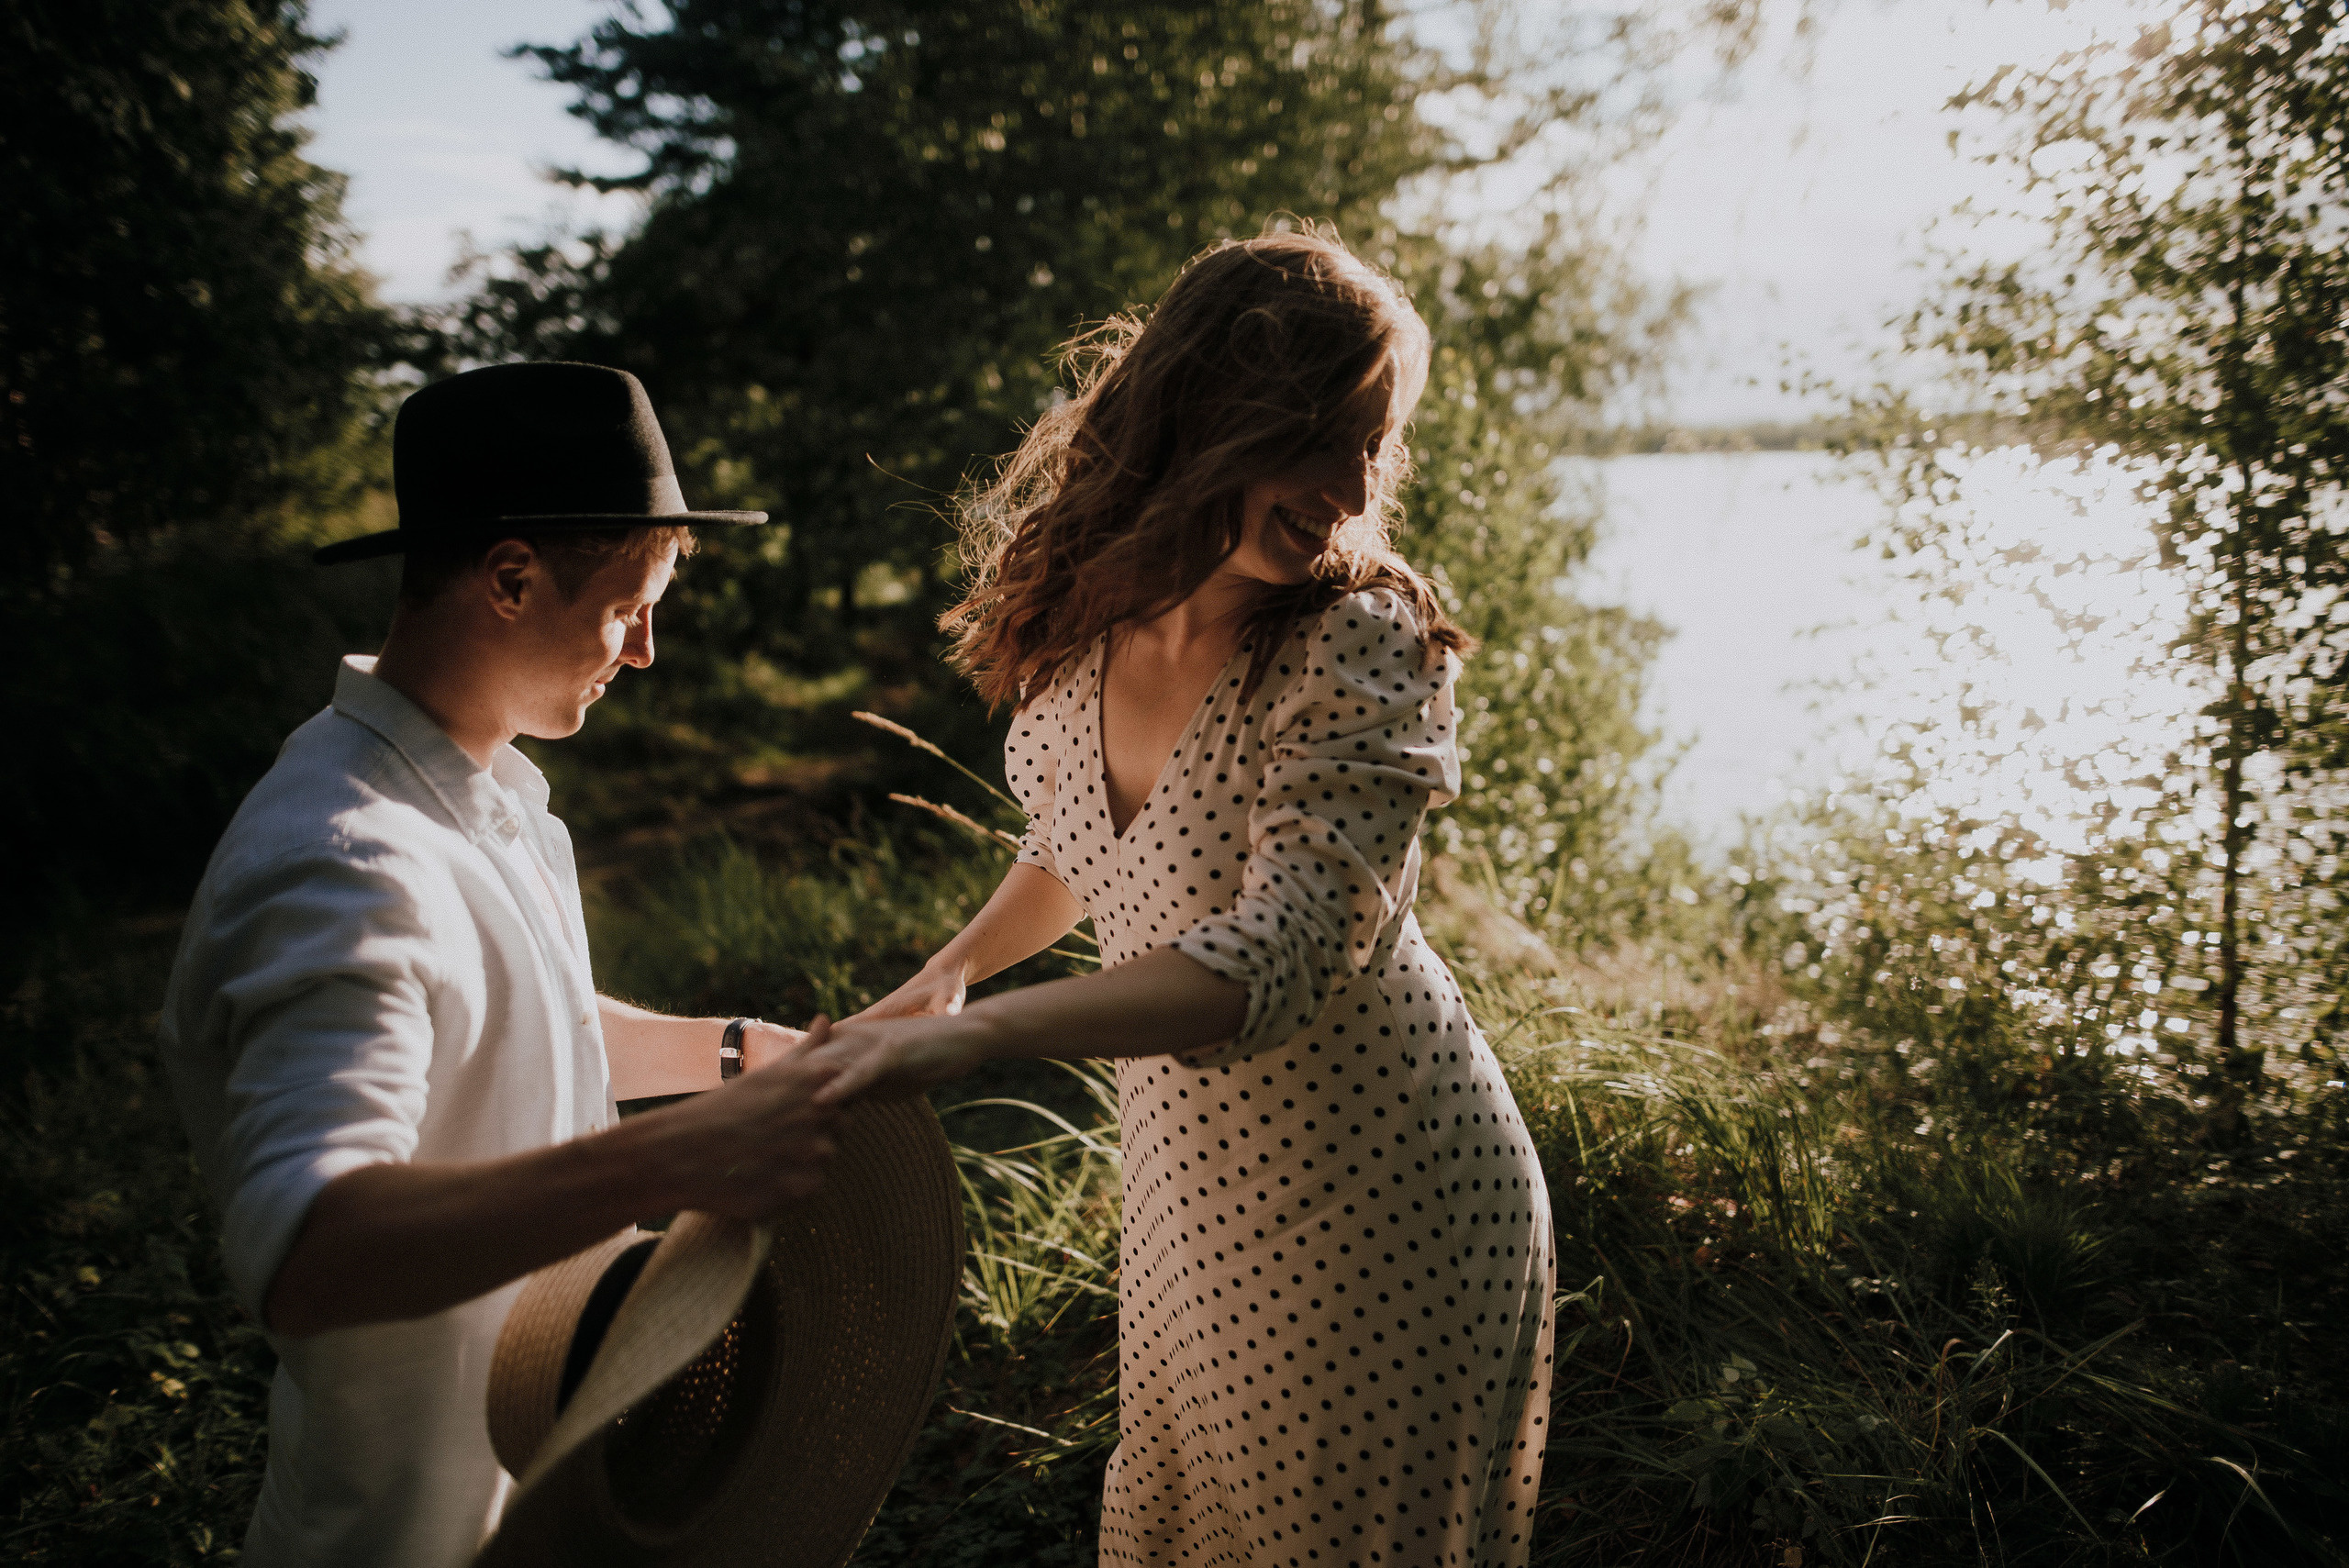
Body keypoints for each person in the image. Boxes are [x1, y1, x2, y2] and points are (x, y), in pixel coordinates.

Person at [809, 230, 1555, 1568]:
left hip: (1385, 1203)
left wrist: (977, 1039)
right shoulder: (1096, 618)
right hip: (1188, 1193)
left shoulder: (1357, 641)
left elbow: (1276, 955)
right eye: (1320, 437)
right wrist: (949, 976)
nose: (1351, 488)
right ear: (1211, 410)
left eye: (1371, 447)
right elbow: (1079, 849)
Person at [158, 362, 843, 1568]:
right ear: (511, 578)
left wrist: (736, 1055)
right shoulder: (341, 858)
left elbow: (516, 1020)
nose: (646, 651)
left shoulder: (485, 790)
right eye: (630, 606)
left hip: (552, 1503)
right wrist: (674, 1156)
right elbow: (310, 1249)